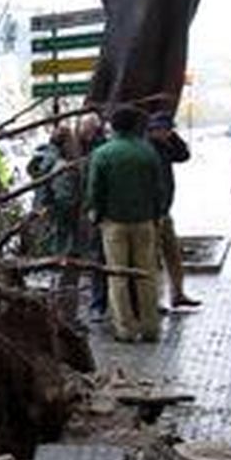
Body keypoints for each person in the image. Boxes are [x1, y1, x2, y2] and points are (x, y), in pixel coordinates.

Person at [85, 105, 166, 342]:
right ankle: (151, 327)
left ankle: (126, 329)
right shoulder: (148, 152)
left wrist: (96, 214)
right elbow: (158, 188)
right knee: (146, 274)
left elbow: (95, 190)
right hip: (144, 222)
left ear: (114, 126)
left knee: (117, 276)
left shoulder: (103, 153)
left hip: (114, 223)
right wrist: (157, 214)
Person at [27, 124, 85, 319]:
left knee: (52, 269)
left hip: (47, 222)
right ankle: (63, 316)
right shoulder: (63, 166)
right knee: (65, 270)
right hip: (63, 227)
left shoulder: (43, 159)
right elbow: (65, 200)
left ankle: (54, 312)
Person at [146, 111, 200, 309]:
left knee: (172, 253)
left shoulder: (164, 146)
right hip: (152, 212)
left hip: (164, 210)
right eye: (165, 130)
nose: (168, 133)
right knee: (153, 258)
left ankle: (177, 293)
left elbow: (184, 155)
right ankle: (155, 299)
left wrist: (173, 137)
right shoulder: (148, 148)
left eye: (170, 130)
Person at [76, 113, 110, 323]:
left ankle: (99, 303)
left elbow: (94, 184)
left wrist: (92, 208)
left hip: (99, 213)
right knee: (99, 256)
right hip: (98, 211)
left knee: (99, 256)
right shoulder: (89, 147)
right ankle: (101, 302)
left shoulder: (96, 150)